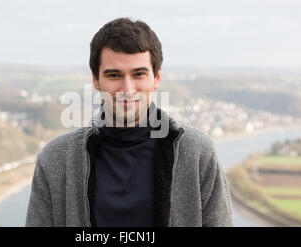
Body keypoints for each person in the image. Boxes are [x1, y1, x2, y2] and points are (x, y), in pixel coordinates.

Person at [25, 17, 233, 227]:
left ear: (157, 78)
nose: (127, 89)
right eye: (114, 75)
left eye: (138, 74)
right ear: (96, 80)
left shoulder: (197, 153)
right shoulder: (55, 160)